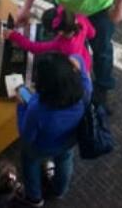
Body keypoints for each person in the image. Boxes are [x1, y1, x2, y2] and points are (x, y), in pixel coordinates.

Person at [16, 53, 91, 206]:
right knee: (64, 160)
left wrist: (21, 106)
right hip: (69, 140)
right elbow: (80, 61)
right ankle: (59, 190)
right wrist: (75, 62)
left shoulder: (37, 109)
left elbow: (27, 135)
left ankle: (34, 197)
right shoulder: (85, 90)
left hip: (41, 147)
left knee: (30, 162)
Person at [6, 5, 95, 73]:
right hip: (86, 60)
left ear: (60, 32)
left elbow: (35, 48)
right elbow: (92, 34)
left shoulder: (61, 44)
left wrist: (14, 35)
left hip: (76, 70)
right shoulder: (81, 19)